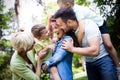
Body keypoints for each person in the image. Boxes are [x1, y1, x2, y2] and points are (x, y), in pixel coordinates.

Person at [53, 7, 118, 80]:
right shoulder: (70, 31)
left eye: (60, 25)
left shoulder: (89, 25)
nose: (60, 28)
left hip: (102, 61)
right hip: (89, 64)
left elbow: (95, 51)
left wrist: (72, 49)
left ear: (69, 22)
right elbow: (58, 32)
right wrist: (57, 39)